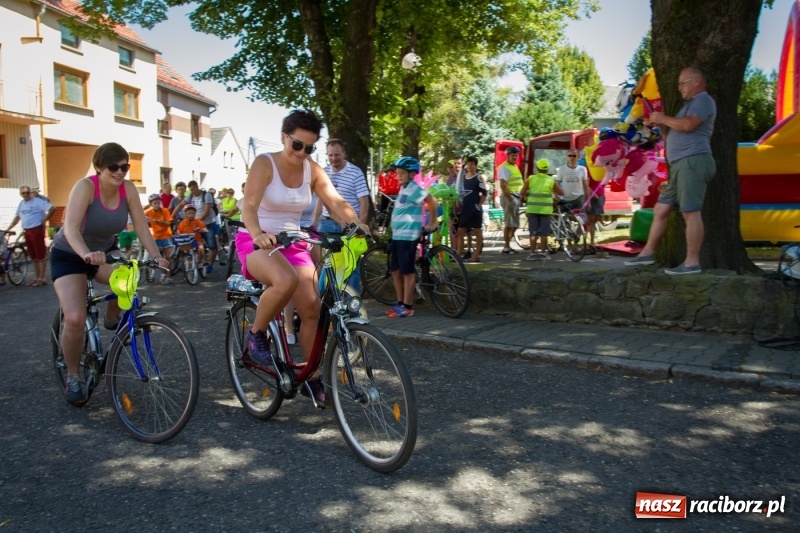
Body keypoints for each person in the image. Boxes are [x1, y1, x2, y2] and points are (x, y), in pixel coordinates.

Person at [237, 109, 367, 404]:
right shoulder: (264, 163)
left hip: (293, 242)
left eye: (309, 148)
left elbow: (335, 201)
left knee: (311, 309)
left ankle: (312, 377)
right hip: (256, 240)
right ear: (284, 137)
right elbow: (249, 206)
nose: (302, 153)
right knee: (285, 280)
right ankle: (257, 334)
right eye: (297, 145)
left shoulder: (313, 170)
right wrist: (257, 232)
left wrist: (356, 223)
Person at [50, 142, 170, 404]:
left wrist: (158, 256)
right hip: (70, 254)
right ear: (99, 168)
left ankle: (112, 318)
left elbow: (140, 226)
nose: (120, 172)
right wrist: (84, 253)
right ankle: (72, 376)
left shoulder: (127, 189)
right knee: (74, 317)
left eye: (125, 167)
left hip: (103, 252)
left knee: (128, 276)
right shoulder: (85, 187)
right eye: (113, 167)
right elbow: (70, 228)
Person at [625, 67, 717, 275]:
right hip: (679, 165)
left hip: (692, 161)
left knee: (690, 211)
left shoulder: (703, 101)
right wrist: (657, 124)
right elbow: (673, 132)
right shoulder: (688, 105)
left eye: (683, 83)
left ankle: (692, 263)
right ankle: (647, 253)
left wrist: (663, 118)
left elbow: (688, 125)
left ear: (696, 81)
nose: (679, 88)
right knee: (661, 209)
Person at [385, 156, 438, 318]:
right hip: (398, 236)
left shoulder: (414, 188)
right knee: (395, 270)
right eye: (398, 172)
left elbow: (432, 201)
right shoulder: (403, 188)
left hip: (408, 236)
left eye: (402, 173)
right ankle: (400, 303)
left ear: (411, 174)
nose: (399, 175)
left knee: (407, 271)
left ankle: (408, 306)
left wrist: (433, 221)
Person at [312, 139, 370, 233]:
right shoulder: (324, 172)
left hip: (349, 224)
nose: (333, 158)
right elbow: (321, 199)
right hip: (326, 222)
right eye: (330, 155)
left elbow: (364, 202)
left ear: (344, 153)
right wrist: (313, 222)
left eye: (337, 155)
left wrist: (360, 227)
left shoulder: (355, 172)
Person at [5, 185, 55, 286]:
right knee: (33, 256)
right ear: (20, 194)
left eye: (27, 192)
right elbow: (17, 217)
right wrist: (9, 228)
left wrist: (45, 220)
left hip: (36, 230)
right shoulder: (21, 203)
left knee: (40, 255)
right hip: (27, 231)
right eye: (23, 193)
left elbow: (52, 208)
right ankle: (37, 278)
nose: (26, 194)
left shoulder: (37, 201)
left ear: (30, 192)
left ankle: (42, 278)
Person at [520, 159, 564, 260]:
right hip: (545, 210)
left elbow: (522, 192)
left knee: (533, 232)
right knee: (544, 233)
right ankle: (543, 253)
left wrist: (527, 195)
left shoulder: (530, 179)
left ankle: (532, 254)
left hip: (532, 209)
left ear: (537, 168)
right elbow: (561, 192)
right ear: (547, 169)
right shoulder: (550, 180)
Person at [454, 156, 487, 263]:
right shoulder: (463, 177)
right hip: (465, 209)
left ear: (476, 165)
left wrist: (479, 205)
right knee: (460, 232)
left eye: (472, 164)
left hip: (474, 209)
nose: (470, 166)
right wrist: (459, 200)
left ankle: (476, 255)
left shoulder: (478, 178)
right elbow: (460, 192)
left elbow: (484, 193)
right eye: (468, 164)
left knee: (477, 231)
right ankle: (458, 255)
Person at [186, 180, 219, 271]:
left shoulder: (206, 195)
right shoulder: (190, 195)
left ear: (197, 186)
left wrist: (197, 220)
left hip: (208, 224)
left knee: (212, 246)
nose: (192, 191)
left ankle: (210, 265)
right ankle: (202, 261)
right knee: (198, 245)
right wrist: (172, 215)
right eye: (191, 190)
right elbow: (182, 205)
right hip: (197, 225)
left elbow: (207, 210)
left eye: (193, 189)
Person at [497, 146, 524, 254]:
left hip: (516, 197)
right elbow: (503, 185)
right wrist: (511, 199)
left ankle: (507, 244)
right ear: (507, 155)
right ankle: (506, 247)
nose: (515, 157)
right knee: (509, 224)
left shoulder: (514, 166)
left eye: (516, 155)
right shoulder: (504, 167)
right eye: (513, 155)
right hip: (509, 197)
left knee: (516, 224)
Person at [143, 193, 174, 284]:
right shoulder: (147, 212)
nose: (157, 205)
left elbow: (169, 223)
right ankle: (159, 273)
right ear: (151, 204)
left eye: (158, 203)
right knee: (157, 257)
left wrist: (162, 222)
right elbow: (142, 222)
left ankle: (167, 276)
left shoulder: (165, 211)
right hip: (156, 236)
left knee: (168, 256)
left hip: (166, 235)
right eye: (154, 203)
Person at [175, 204, 208, 269]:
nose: (191, 215)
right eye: (189, 213)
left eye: (192, 213)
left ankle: (200, 261)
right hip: (186, 241)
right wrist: (179, 233)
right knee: (179, 248)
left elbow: (204, 229)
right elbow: (179, 230)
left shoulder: (197, 221)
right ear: (185, 214)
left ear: (195, 214)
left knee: (200, 248)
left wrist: (201, 229)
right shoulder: (182, 222)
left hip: (196, 240)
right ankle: (183, 260)